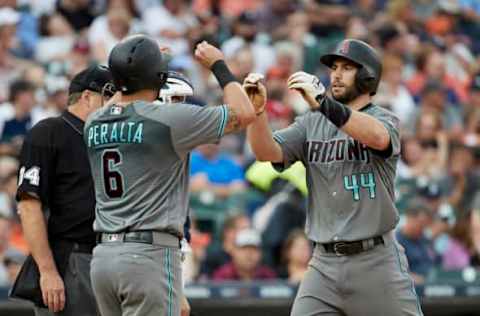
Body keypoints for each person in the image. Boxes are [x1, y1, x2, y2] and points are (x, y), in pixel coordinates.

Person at [244, 39, 423, 315]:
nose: (336, 74)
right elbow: (265, 151)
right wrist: (256, 114)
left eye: (347, 68)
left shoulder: (384, 119)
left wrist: (323, 103)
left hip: (375, 261)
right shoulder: (311, 122)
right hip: (323, 264)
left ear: (367, 76)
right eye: (334, 67)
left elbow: (377, 137)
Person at [84, 34, 255, 316]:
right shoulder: (169, 119)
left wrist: (139, 68)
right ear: (159, 78)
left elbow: (121, 96)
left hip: (104, 259)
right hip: (147, 256)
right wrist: (219, 64)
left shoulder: (94, 121)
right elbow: (244, 113)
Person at [15, 65, 115, 315]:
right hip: (72, 256)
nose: (116, 105)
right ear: (87, 97)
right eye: (109, 96)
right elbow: (28, 205)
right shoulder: (49, 132)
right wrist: (48, 271)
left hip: (110, 255)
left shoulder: (107, 136)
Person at [212, 228, 277, 281]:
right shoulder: (222, 276)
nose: (249, 253)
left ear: (261, 253)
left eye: (254, 249)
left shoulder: (268, 276)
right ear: (233, 251)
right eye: (244, 248)